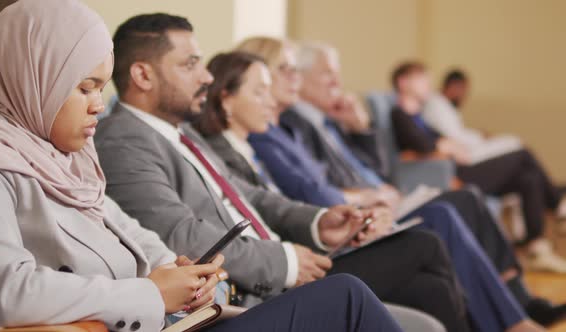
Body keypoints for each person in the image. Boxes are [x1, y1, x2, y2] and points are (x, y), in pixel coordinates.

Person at [0, 1, 407, 331]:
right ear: (31, 79)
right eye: (84, 87)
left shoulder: (64, 155)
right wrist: (150, 292)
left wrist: (184, 273)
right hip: (147, 321)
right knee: (348, 298)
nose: (97, 105)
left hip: (181, 316)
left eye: (100, 87)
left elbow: (130, 230)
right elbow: (7, 289)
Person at [95, 13, 472, 332]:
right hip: (246, 292)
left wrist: (320, 221)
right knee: (410, 253)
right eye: (190, 64)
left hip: (278, 265)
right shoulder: (122, 138)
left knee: (429, 295)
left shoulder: (181, 132)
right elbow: (182, 233)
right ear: (143, 75)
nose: (207, 77)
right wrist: (285, 262)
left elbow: (251, 195)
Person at [190, 44, 545, 331]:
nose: (284, 89)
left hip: (339, 224)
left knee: (435, 275)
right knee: (435, 230)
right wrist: (354, 207)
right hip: (304, 253)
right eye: (265, 87)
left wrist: (360, 131)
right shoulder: (264, 138)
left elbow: (356, 174)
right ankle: (514, 318)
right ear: (227, 98)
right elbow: (302, 195)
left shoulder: (288, 129)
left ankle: (516, 307)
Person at [286, 41, 566, 326]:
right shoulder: (297, 124)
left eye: (337, 73)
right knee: (454, 206)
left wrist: (361, 130)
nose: (337, 82)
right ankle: (517, 312)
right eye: (326, 73)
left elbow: (379, 168)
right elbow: (315, 189)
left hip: (387, 197)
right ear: (299, 76)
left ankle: (521, 302)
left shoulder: (331, 121)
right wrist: (370, 196)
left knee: (478, 193)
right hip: (366, 213)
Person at [390, 61, 566, 273]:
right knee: (522, 154)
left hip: (456, 165)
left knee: (529, 178)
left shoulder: (419, 116)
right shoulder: (399, 113)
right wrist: (443, 146)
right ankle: (558, 203)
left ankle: (535, 244)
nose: (428, 83)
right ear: (403, 82)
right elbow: (420, 145)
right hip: (450, 174)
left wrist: (447, 144)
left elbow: (438, 139)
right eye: (422, 78)